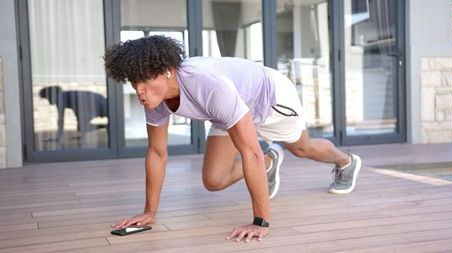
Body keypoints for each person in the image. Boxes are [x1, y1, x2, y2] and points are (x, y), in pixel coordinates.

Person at [104, 35, 362, 243]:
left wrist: (260, 222)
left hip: (269, 97)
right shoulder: (154, 99)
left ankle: (346, 161)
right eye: (134, 82)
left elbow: (250, 152)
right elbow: (157, 154)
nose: (139, 91)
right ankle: (270, 162)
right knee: (214, 180)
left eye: (145, 81)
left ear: (168, 71)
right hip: (230, 108)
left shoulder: (208, 85)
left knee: (302, 148)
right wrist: (150, 212)